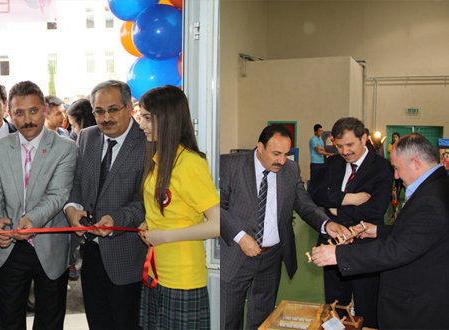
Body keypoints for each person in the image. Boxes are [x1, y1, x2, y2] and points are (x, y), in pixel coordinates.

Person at [311, 133, 449, 329]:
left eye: (398, 168)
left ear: (416, 164)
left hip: (420, 305)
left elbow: (399, 249)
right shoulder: (438, 185)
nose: (396, 176)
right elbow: (417, 234)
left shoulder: (431, 200)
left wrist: (339, 254)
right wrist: (378, 231)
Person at [220, 124, 351, 330]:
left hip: (271, 258)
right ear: (260, 147)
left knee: (262, 320)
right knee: (228, 319)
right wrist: (240, 236)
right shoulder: (231, 165)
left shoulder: (290, 169)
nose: (282, 160)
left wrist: (327, 224)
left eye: (286, 154)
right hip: (235, 255)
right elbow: (217, 207)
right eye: (276, 154)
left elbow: (305, 205)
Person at [0, 81, 77, 329]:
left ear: (44, 109)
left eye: (33, 111)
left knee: (50, 321)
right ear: (9, 113)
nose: (27, 119)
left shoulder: (66, 147)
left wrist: (32, 220)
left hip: (50, 245)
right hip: (9, 246)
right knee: (9, 320)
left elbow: (58, 195)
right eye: (19, 113)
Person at [65, 80, 147, 329]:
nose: (106, 117)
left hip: (128, 257)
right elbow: (77, 182)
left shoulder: (148, 142)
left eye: (113, 109)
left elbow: (146, 201)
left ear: (130, 107)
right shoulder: (88, 137)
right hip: (90, 254)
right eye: (99, 111)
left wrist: (116, 221)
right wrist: (72, 209)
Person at [136, 85, 220, 330]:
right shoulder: (159, 158)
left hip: (183, 279)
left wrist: (165, 236)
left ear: (169, 118)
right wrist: (149, 224)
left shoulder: (190, 164)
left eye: (148, 118)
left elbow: (217, 224)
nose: (142, 125)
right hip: (157, 272)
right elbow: (165, 211)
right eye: (142, 117)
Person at [310, 117, 393, 328]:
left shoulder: (382, 167)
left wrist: (335, 207)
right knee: (336, 306)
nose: (345, 151)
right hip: (334, 246)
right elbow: (317, 194)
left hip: (365, 248)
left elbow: (376, 209)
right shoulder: (333, 163)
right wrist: (350, 199)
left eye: (350, 145)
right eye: (339, 146)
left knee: (367, 306)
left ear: (364, 138)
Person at [308, 124, 331, 193]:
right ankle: (309, 197)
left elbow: (323, 150)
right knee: (313, 181)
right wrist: (329, 154)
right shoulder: (313, 140)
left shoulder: (321, 141)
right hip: (315, 163)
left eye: (322, 131)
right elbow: (319, 152)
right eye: (320, 131)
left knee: (320, 181)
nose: (321, 132)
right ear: (315, 131)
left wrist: (321, 148)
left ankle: (317, 196)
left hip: (322, 162)